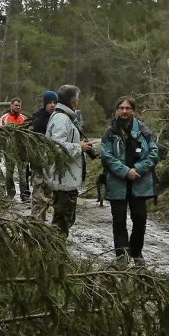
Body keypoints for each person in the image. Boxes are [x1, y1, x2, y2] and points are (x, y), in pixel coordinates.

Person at [100, 96, 161, 265]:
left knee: (140, 219)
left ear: (133, 110)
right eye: (121, 108)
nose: (124, 111)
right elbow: (106, 156)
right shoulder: (110, 132)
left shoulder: (143, 130)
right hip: (117, 182)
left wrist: (139, 168)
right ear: (116, 110)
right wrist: (125, 171)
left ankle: (136, 252)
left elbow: (154, 153)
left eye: (128, 108)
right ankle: (121, 255)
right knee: (119, 220)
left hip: (140, 183)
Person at [44, 85, 97, 234]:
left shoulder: (63, 117)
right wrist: (79, 146)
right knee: (61, 224)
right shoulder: (61, 119)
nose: (78, 103)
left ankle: (55, 252)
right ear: (72, 101)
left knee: (64, 221)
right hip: (63, 182)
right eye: (77, 99)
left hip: (66, 181)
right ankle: (54, 254)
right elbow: (57, 147)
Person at [28, 91, 59, 222]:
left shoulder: (58, 119)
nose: (52, 105)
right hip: (39, 165)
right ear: (44, 104)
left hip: (53, 165)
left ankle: (44, 224)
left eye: (54, 103)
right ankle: (36, 225)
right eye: (49, 103)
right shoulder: (37, 120)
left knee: (50, 196)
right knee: (38, 198)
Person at [0, 97, 30, 201]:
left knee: (23, 172)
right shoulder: (4, 118)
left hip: (22, 148)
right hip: (9, 147)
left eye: (19, 105)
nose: (18, 107)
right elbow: (0, 133)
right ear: (11, 105)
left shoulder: (24, 118)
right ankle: (10, 193)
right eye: (16, 105)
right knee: (9, 172)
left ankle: (24, 195)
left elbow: (29, 133)